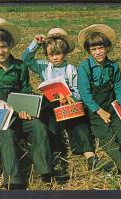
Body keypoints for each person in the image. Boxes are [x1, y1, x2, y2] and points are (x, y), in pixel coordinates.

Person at [0, 18, 52, 190]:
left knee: (38, 126)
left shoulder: (20, 66)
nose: (0, 51)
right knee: (7, 136)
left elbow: (25, 92)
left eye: (3, 46)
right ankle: (14, 182)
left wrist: (26, 110)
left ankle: (45, 172)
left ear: (10, 45)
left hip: (16, 113)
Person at [21, 28, 101, 171]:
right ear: (47, 55)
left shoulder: (71, 68)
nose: (55, 58)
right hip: (51, 104)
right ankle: (57, 156)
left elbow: (78, 89)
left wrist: (71, 97)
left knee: (79, 123)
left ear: (64, 53)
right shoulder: (44, 66)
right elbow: (25, 59)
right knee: (51, 125)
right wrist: (35, 43)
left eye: (58, 54)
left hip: (69, 102)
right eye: (51, 55)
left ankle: (90, 156)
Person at [77, 24, 121, 176]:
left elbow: (120, 88)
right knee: (106, 137)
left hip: (112, 106)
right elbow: (85, 94)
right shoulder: (84, 67)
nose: (98, 52)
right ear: (89, 50)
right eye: (94, 49)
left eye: (101, 48)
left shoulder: (113, 66)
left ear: (107, 47)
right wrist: (99, 111)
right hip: (95, 110)